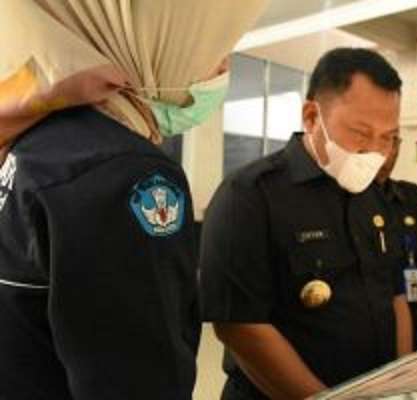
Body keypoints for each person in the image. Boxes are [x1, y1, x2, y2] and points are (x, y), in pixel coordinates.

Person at [0, 1, 266, 399]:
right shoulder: (125, 172)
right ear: (146, 48)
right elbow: (135, 382)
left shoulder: (30, 145)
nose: (222, 70)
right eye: (211, 53)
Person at [200, 48, 413, 400]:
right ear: (312, 117)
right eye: (361, 132)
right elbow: (240, 327)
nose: (375, 151)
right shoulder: (249, 195)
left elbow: (395, 295)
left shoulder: (374, 197)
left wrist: (402, 384)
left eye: (388, 137)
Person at [375, 137, 417, 351]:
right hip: (367, 316)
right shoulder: (343, 199)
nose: (386, 152)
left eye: (393, 142)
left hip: (409, 307)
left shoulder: (411, 197)